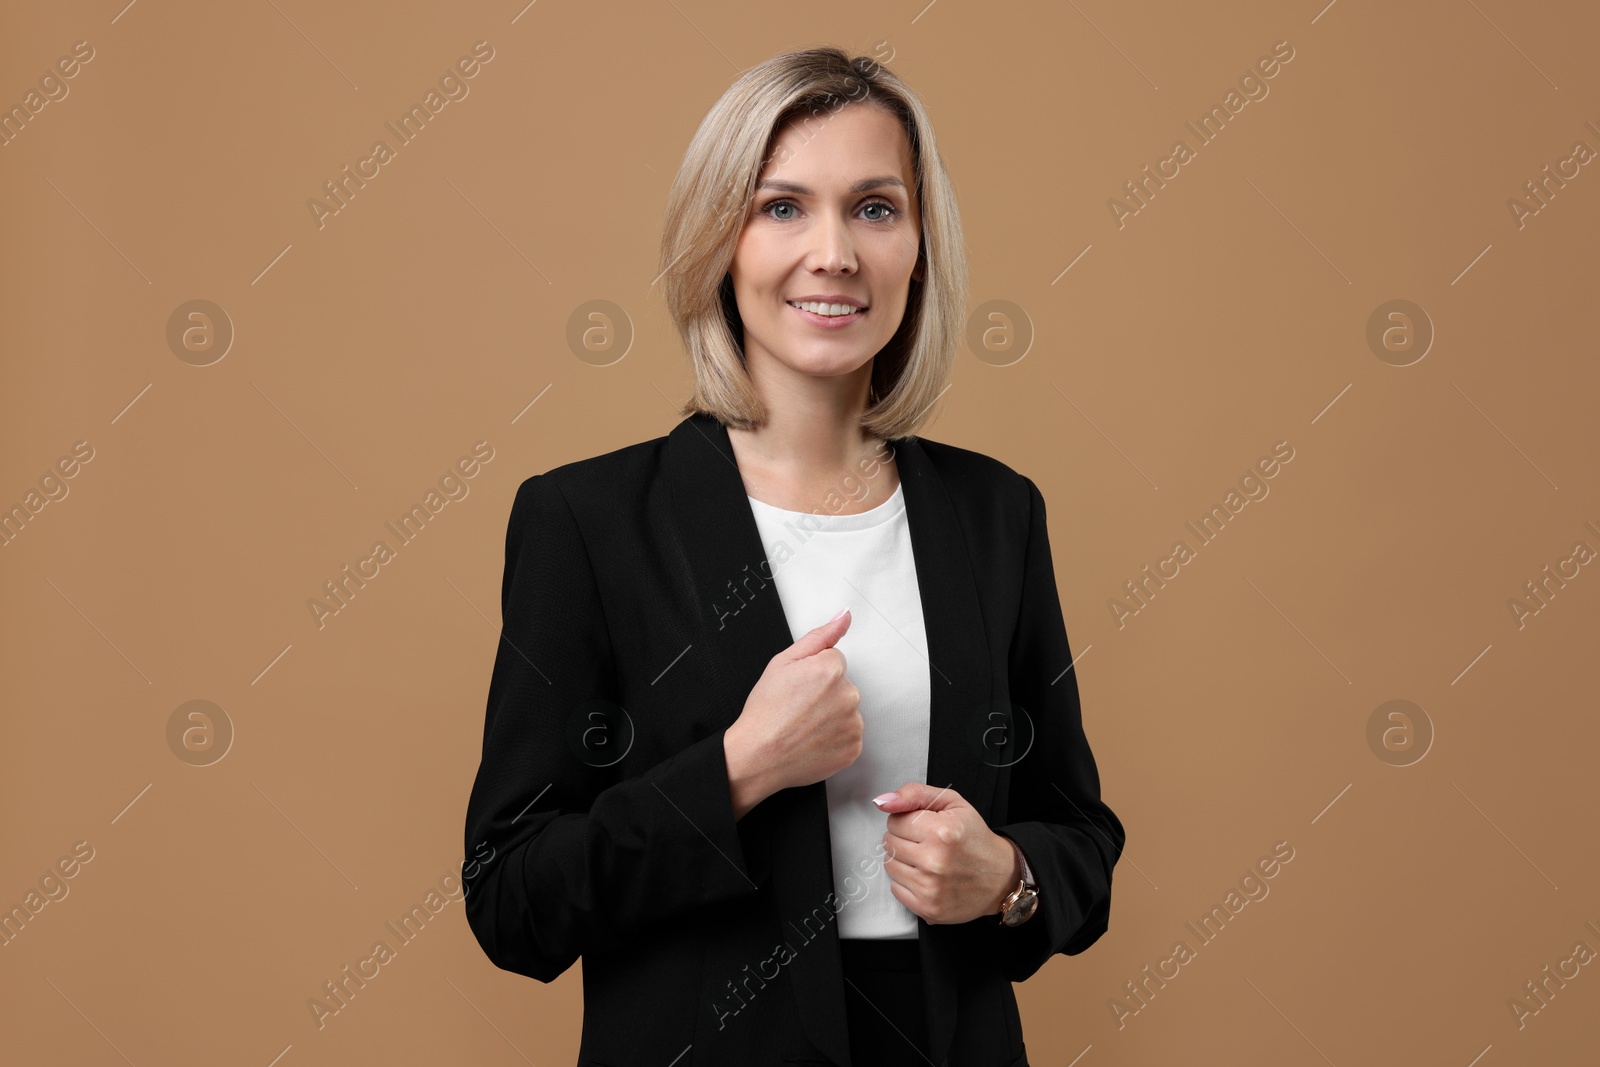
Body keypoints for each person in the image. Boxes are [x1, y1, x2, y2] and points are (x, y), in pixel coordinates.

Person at [462, 46, 1125, 1067]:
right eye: (781, 207)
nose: (834, 253)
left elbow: (1080, 838)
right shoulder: (587, 521)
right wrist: (737, 767)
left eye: (873, 207)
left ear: (918, 243)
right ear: (717, 241)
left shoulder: (996, 514)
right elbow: (511, 898)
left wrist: (1005, 875)